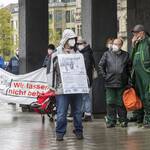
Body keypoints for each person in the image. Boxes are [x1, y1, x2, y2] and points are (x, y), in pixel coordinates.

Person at [49, 29, 84, 141]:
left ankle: (79, 131)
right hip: (62, 89)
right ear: (65, 40)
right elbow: (50, 72)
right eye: (71, 39)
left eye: (74, 39)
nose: (73, 41)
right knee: (61, 112)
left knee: (78, 112)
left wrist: (85, 83)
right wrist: (52, 87)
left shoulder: (78, 54)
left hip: (77, 88)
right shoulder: (56, 54)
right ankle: (60, 133)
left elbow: (82, 70)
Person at [99, 38, 130, 128]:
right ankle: (111, 121)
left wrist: (128, 80)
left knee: (121, 103)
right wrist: (105, 76)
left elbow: (130, 68)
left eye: (117, 44)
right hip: (110, 83)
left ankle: (123, 120)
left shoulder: (126, 55)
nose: (114, 45)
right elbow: (101, 65)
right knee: (110, 102)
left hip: (122, 83)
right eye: (114, 43)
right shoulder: (107, 54)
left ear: (121, 45)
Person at [130, 24, 150, 128]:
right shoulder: (137, 43)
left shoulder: (148, 41)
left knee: (147, 96)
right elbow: (131, 58)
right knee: (140, 96)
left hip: (146, 73)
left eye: (135, 33)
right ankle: (141, 117)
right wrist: (133, 45)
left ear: (141, 32)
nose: (134, 36)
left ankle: (149, 119)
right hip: (137, 74)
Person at [77, 38, 95, 121]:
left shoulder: (86, 53)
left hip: (85, 78)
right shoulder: (84, 52)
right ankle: (84, 113)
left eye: (79, 44)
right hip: (84, 78)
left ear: (84, 44)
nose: (78, 45)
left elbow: (87, 67)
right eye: (77, 44)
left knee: (85, 96)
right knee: (82, 96)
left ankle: (87, 114)